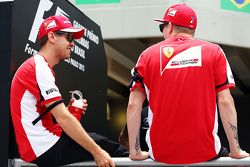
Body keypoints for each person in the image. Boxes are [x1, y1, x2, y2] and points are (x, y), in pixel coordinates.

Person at [126, 3, 249, 164]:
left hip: (161, 153)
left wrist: (135, 152)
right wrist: (235, 150)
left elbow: (133, 105)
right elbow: (225, 101)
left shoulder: (147, 55)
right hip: (205, 152)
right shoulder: (214, 52)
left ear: (169, 26)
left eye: (162, 26)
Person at [10, 15, 128, 167]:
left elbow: (47, 118)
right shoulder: (38, 66)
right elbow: (63, 119)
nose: (72, 44)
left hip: (42, 145)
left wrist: (71, 111)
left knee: (100, 143)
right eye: (69, 37)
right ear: (51, 36)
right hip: (43, 148)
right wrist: (98, 152)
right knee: (106, 148)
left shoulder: (39, 66)